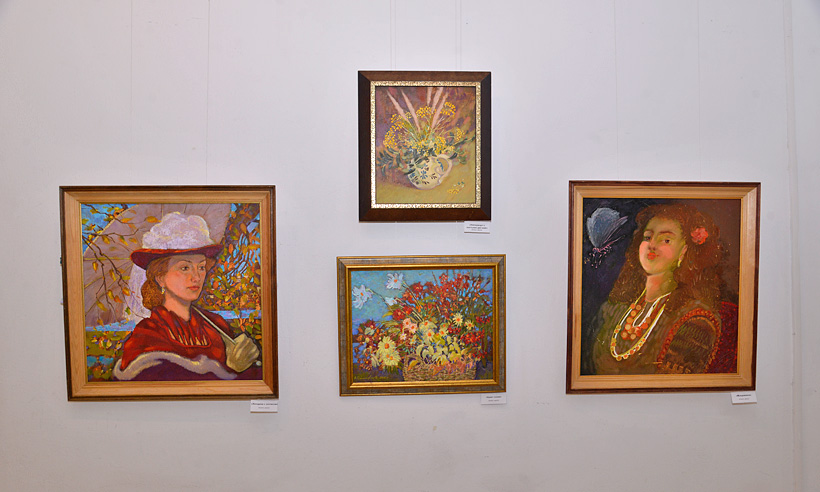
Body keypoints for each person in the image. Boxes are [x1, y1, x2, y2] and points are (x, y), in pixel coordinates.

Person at [114, 212, 260, 381]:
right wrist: (231, 370)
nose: (196, 277)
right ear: (160, 277)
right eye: (185, 268)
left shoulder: (216, 326)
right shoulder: (147, 334)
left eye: (201, 267)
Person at [589, 203, 725, 375]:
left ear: (684, 252)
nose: (652, 245)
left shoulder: (695, 321)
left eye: (666, 240)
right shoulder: (612, 310)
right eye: (647, 237)